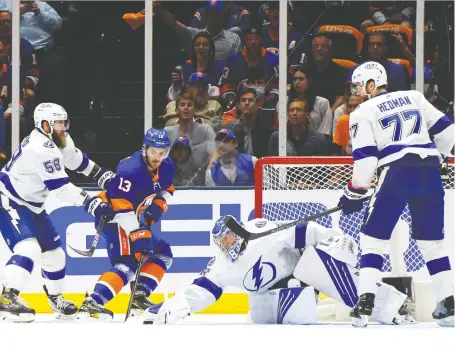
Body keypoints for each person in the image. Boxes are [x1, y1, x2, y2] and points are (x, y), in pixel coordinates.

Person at [338, 61, 455, 327]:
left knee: (373, 239)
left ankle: (365, 304)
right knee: (431, 242)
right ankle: (448, 304)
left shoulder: (362, 112)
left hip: (397, 173)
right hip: (428, 172)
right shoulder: (414, 96)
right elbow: (449, 132)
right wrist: (441, 159)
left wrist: (354, 192)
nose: (355, 91)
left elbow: (366, 161)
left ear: (371, 84)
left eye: (358, 85)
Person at [142, 216, 412, 325]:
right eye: (220, 242)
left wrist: (333, 237)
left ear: (237, 234)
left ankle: (391, 307)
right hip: (271, 302)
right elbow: (202, 290)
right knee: (265, 316)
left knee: (314, 263)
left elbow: (305, 232)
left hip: (302, 280)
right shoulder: (222, 264)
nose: (225, 246)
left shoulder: (263, 233)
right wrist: (174, 306)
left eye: (227, 239)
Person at [0, 103, 116, 322]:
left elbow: (75, 159)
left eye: (64, 122)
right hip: (9, 199)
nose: (64, 127)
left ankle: (55, 298)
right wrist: (93, 204)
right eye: (59, 123)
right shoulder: (40, 147)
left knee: (55, 254)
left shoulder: (59, 139)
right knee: (29, 247)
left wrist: (103, 175)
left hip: (33, 204)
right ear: (45, 125)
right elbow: (61, 189)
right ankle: (7, 297)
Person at [77, 128, 175, 320]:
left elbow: (168, 189)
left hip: (132, 217)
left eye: (162, 152)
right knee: (128, 262)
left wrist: (159, 204)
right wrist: (137, 233)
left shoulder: (166, 166)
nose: (158, 157)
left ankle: (139, 296)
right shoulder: (130, 171)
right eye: (154, 151)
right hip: (114, 217)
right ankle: (93, 303)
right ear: (145, 149)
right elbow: (122, 208)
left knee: (162, 252)